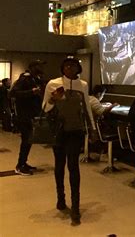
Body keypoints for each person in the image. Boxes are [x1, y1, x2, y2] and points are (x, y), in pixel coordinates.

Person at [43, 56, 96, 226]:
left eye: (73, 66)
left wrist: (92, 128)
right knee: (59, 166)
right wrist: (53, 99)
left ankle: (75, 207)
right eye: (66, 65)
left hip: (76, 131)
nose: (69, 68)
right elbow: (44, 107)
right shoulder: (53, 83)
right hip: (58, 132)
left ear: (78, 68)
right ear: (62, 68)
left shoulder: (83, 85)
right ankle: (61, 199)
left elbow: (87, 107)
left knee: (74, 167)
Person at [10, 60, 46, 175]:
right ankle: (20, 166)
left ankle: (23, 162)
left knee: (29, 140)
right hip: (24, 115)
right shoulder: (25, 79)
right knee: (26, 140)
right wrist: (31, 92)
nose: (41, 68)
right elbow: (13, 93)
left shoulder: (35, 79)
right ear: (32, 67)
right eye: (39, 66)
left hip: (31, 115)